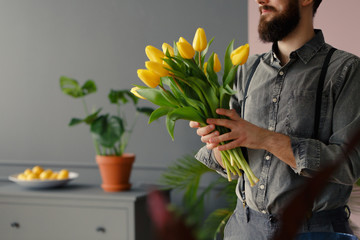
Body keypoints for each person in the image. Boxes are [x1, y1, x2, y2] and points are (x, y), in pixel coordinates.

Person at [190, 0, 360, 239]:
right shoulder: (245, 69)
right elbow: (233, 164)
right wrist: (219, 142)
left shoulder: (345, 70)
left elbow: (349, 165)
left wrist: (266, 139)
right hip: (244, 228)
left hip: (313, 232)